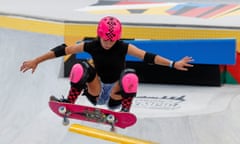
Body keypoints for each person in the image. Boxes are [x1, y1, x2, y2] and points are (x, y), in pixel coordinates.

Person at [20, 16, 194, 112]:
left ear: (117, 38)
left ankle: (125, 111)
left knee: (130, 75)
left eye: (112, 41)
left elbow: (148, 56)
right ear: (99, 35)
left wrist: (173, 64)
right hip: (96, 90)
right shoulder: (91, 45)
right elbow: (63, 50)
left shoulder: (123, 47)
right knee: (80, 67)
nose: (108, 44)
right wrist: (37, 60)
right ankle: (70, 103)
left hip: (116, 94)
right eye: (105, 40)